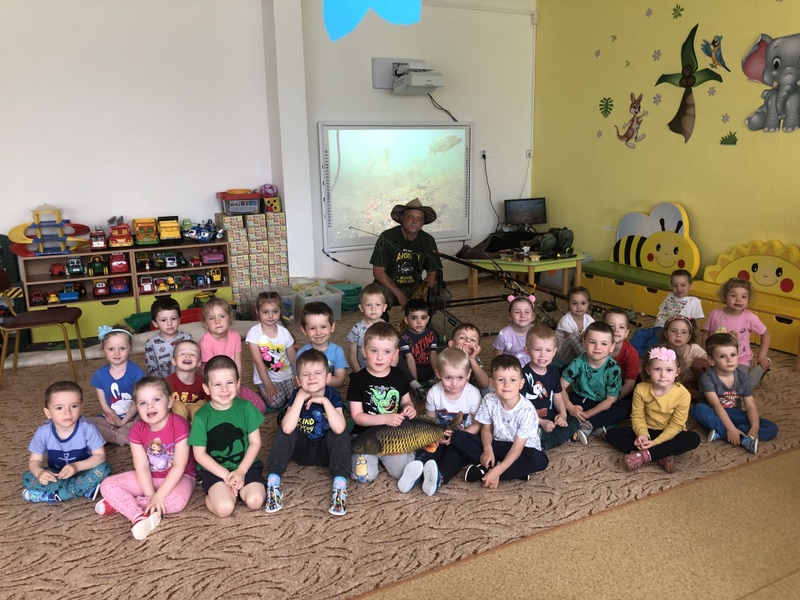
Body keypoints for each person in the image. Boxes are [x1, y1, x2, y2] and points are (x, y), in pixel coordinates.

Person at [422, 355, 549, 496]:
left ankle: (486, 471)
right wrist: (487, 449)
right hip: (497, 444)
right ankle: (440, 477)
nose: (507, 385)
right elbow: (486, 428)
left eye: (513, 380)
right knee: (458, 437)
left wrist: (497, 471)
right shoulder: (489, 399)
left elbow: (517, 449)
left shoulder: (527, 410)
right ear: (492, 383)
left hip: (521, 450)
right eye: (501, 380)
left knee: (540, 460)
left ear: (521, 383)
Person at [95, 377, 196, 540]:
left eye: (156, 399)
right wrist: (151, 496)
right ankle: (137, 515)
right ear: (136, 407)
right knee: (107, 484)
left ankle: (123, 503)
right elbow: (141, 467)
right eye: (142, 403)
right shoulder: (136, 430)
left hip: (181, 477)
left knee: (176, 502)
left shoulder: (180, 425)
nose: (150, 406)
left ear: (170, 402)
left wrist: (160, 495)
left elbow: (179, 465)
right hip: (149, 477)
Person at [265, 349, 350, 516]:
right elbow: (287, 428)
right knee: (284, 431)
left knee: (342, 434)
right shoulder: (296, 394)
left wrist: (325, 401)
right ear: (298, 380)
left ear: (327, 378)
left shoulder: (332, 394)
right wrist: (299, 398)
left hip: (326, 453)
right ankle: (273, 483)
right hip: (302, 451)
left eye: (318, 373)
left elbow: (339, 428)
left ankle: (339, 487)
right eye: (305, 374)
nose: (312, 378)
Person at [188, 356, 266, 517]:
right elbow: (199, 454)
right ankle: (214, 496)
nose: (224, 389)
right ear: (206, 388)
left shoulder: (246, 407)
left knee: (255, 501)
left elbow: (255, 443)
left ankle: (235, 489)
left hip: (246, 465)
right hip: (215, 471)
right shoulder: (201, 416)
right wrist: (226, 476)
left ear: (238, 384)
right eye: (217, 384)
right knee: (224, 509)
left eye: (230, 382)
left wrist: (241, 471)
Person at [397, 347, 481, 493]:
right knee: (430, 451)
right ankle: (415, 472)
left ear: (468, 374)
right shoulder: (434, 393)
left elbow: (477, 424)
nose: (454, 383)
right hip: (439, 435)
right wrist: (436, 436)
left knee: (454, 458)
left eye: (460, 378)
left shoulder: (473, 394)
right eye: (448, 378)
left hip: (462, 437)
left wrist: (456, 437)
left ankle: (439, 478)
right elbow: (430, 420)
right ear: (438, 374)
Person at [606, 345, 701, 472]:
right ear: (648, 370)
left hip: (670, 433)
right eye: (657, 369)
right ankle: (660, 455)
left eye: (669, 370)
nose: (663, 375)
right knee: (612, 434)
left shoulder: (683, 394)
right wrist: (642, 435)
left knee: (693, 438)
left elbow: (676, 425)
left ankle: (644, 455)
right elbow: (637, 416)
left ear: (677, 372)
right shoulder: (641, 388)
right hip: (648, 430)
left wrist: (656, 442)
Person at [347, 322, 417, 483]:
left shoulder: (399, 376)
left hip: (393, 435)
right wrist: (385, 418)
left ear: (395, 354)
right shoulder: (357, 379)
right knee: (364, 476)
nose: (380, 357)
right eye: (374, 351)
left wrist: (409, 407)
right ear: (364, 351)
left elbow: (406, 401)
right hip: (365, 435)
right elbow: (357, 416)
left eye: (386, 352)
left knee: (403, 470)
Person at [22, 381, 111, 503]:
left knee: (104, 468)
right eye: (59, 408)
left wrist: (76, 466)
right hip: (56, 474)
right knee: (27, 478)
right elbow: (34, 461)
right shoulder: (43, 431)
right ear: (48, 412)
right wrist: (40, 473)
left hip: (83, 470)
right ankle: (81, 488)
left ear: (81, 408)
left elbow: (100, 456)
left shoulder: (88, 427)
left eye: (74, 406)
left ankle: (58, 495)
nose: (67, 412)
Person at [690, 333, 778, 453]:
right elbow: (716, 405)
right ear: (711, 361)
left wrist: (754, 428)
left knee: (772, 428)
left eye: (733, 355)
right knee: (697, 409)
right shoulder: (707, 378)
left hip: (734, 413)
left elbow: (750, 406)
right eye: (722, 356)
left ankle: (721, 432)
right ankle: (737, 437)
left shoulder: (742, 377)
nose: (729, 360)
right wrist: (731, 429)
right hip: (714, 411)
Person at [370, 198, 443, 309]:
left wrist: (421, 293)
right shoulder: (386, 237)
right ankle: (381, 320)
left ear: (422, 223)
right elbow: (378, 272)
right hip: (389, 286)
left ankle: (423, 318)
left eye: (419, 219)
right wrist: (401, 296)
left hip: (415, 286)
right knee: (375, 299)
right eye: (410, 217)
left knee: (443, 297)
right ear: (402, 218)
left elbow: (432, 274)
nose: (415, 221)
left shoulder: (428, 240)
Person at [199, 298, 267, 414]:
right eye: (211, 318)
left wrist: (237, 385)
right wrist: (225, 392)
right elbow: (211, 373)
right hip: (213, 384)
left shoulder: (235, 336)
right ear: (205, 323)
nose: (217, 321)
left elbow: (238, 363)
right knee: (222, 411)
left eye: (222, 316)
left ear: (230, 319)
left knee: (260, 408)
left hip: (231, 380)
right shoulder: (206, 342)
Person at [560, 321, 626, 441]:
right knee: (555, 402)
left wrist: (587, 414)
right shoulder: (578, 362)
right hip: (578, 400)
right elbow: (561, 386)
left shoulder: (614, 368)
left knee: (622, 408)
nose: (597, 347)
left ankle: (588, 424)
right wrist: (570, 407)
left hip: (600, 404)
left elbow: (611, 399)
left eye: (604, 343)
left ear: (612, 347)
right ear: (584, 343)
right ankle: (593, 427)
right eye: (592, 342)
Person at [703, 278, 771, 390]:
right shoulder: (715, 314)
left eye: (744, 297)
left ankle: (760, 370)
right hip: (716, 358)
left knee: (740, 386)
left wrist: (762, 356)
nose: (739, 299)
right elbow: (706, 334)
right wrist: (705, 353)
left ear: (748, 299)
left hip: (740, 360)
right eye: (733, 295)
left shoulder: (750, 318)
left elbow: (766, 335)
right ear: (725, 296)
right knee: (707, 378)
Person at [521, 325, 582, 449]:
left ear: (554, 352)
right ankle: (549, 441)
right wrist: (540, 421)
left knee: (574, 421)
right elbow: (519, 405)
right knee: (527, 430)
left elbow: (558, 396)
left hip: (549, 413)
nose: (543, 355)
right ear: (527, 350)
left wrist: (563, 414)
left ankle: (548, 440)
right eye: (537, 350)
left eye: (548, 350)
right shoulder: (523, 374)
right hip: (530, 417)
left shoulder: (553, 371)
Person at [88, 325, 145, 445]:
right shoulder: (99, 375)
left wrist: (123, 422)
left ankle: (118, 434)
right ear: (103, 349)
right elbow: (104, 403)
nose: (116, 353)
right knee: (85, 424)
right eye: (111, 349)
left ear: (130, 348)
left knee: (149, 419)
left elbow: (138, 401)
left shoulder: (136, 372)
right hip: (111, 418)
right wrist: (115, 419)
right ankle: (124, 436)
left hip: (136, 415)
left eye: (122, 348)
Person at [631, 269, 704, 356]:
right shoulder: (670, 296)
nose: (679, 288)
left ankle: (645, 358)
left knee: (652, 344)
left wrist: (695, 342)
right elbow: (661, 314)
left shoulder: (694, 301)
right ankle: (634, 357)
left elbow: (696, 324)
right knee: (639, 333)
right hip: (657, 328)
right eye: (675, 286)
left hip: (673, 332)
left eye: (683, 285)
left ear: (690, 286)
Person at [246, 291, 297, 410]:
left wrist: (298, 376)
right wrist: (268, 385)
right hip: (266, 378)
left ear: (280, 311)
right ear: (258, 312)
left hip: (287, 375)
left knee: (297, 397)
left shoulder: (284, 332)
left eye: (275, 311)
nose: (270, 316)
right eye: (265, 312)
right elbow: (258, 362)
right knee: (276, 402)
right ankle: (263, 388)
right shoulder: (253, 333)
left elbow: (293, 357)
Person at [296, 301, 347, 389]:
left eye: (323, 327)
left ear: (332, 326)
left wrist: (316, 381)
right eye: (312, 328)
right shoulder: (301, 353)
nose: (318, 333)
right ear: (304, 330)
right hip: (308, 393)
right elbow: (298, 382)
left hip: (330, 393)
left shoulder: (337, 351)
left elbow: (340, 380)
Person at [661, 315, 709, 402]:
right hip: (673, 384)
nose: (678, 335)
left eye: (684, 332)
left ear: (689, 337)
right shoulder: (662, 351)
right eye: (673, 331)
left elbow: (709, 362)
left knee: (701, 363)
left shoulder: (694, 349)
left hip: (696, 383)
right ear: (666, 334)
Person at [144, 296, 192, 377]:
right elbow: (152, 369)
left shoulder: (187, 338)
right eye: (163, 320)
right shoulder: (151, 343)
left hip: (185, 380)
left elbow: (192, 362)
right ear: (155, 323)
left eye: (173, 318)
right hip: (162, 382)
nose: (169, 323)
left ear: (179, 320)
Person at [346, 284, 388, 374]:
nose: (373, 308)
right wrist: (359, 375)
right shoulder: (356, 329)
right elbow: (352, 356)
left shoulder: (388, 328)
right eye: (368, 305)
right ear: (361, 308)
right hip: (363, 371)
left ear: (384, 307)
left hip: (384, 371)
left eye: (377, 304)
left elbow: (393, 353)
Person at [166, 339, 208, 422]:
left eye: (193, 354)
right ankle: (181, 429)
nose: (188, 356)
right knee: (175, 404)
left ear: (199, 363)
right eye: (182, 353)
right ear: (174, 361)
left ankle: (196, 429)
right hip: (176, 419)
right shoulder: (167, 382)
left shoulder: (203, 383)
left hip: (195, 419)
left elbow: (211, 403)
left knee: (201, 405)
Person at [399, 298, 439, 384]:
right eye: (414, 318)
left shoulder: (431, 334)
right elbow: (409, 359)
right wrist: (415, 381)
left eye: (423, 318)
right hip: (412, 369)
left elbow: (433, 355)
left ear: (427, 319)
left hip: (428, 368)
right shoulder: (404, 337)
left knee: (442, 357)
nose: (419, 322)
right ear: (406, 320)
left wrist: (437, 374)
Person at [604, 308, 640, 401]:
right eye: (611, 326)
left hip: (619, 389)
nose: (616, 330)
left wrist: (609, 400)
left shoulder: (632, 354)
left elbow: (629, 385)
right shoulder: (596, 347)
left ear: (626, 333)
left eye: (621, 327)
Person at [492, 295, 537, 368]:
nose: (522, 315)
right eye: (517, 312)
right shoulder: (503, 335)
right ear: (510, 316)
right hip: (511, 369)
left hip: (533, 366)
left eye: (527, 312)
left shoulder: (537, 332)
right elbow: (497, 359)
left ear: (533, 317)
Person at [555, 286, 594, 367]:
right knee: (575, 337)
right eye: (574, 303)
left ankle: (596, 360)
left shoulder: (589, 319)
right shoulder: (565, 322)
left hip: (581, 352)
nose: (579, 307)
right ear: (568, 304)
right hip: (564, 356)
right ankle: (591, 363)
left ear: (588, 304)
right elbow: (576, 341)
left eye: (583, 303)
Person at [448, 322, 490, 391]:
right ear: (452, 344)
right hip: (451, 389)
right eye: (462, 337)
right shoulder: (447, 358)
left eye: (473, 340)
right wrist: (463, 358)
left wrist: (472, 360)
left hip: (470, 392)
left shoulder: (475, 359)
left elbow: (484, 384)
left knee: (489, 388)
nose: (468, 340)